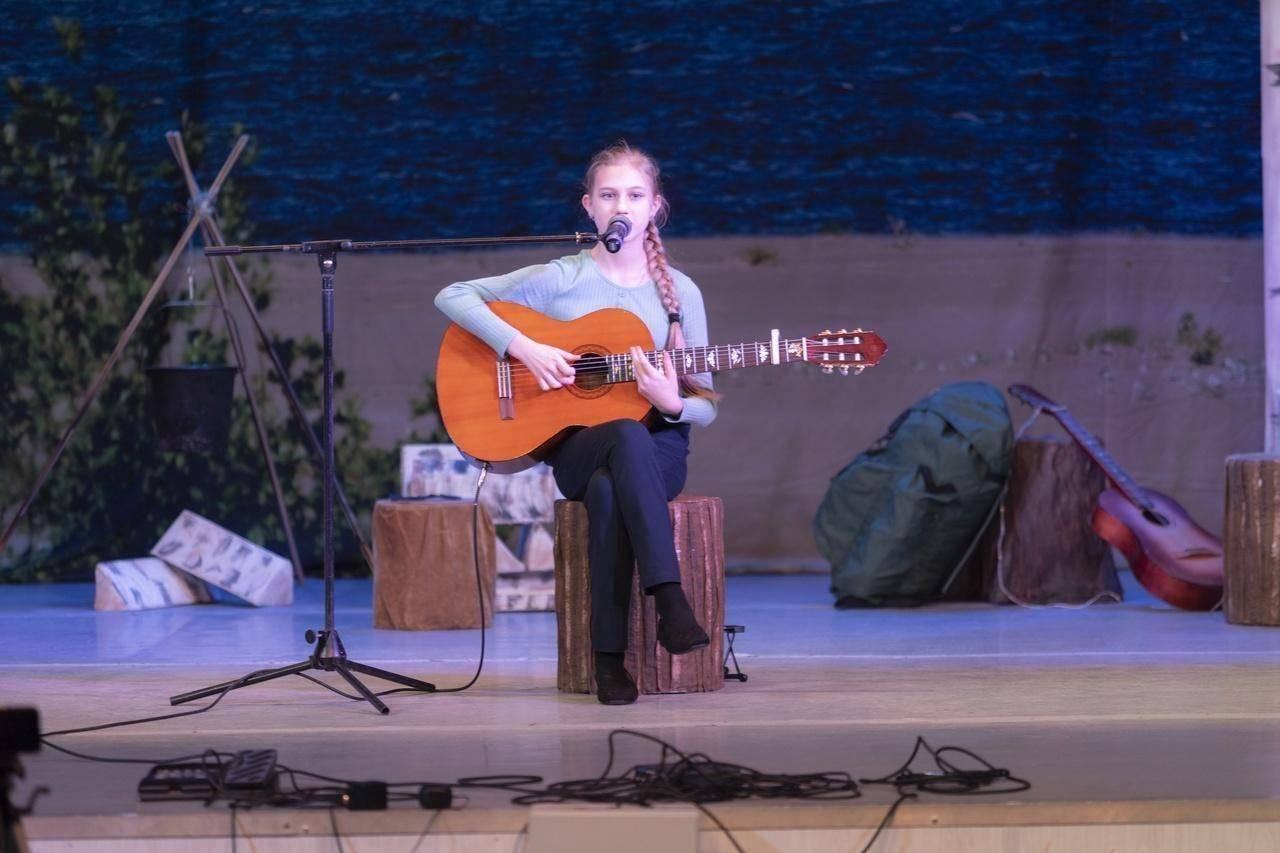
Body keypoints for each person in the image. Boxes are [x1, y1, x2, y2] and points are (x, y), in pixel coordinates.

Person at [434, 142, 717, 705]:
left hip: (660, 448)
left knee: (614, 480)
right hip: (577, 448)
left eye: (634, 195)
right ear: (589, 206)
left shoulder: (680, 292)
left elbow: (705, 405)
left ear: (655, 207)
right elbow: (453, 295)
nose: (621, 206)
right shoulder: (560, 278)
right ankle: (671, 601)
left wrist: (671, 401)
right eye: (609, 195)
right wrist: (523, 346)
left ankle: (607, 660)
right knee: (619, 437)